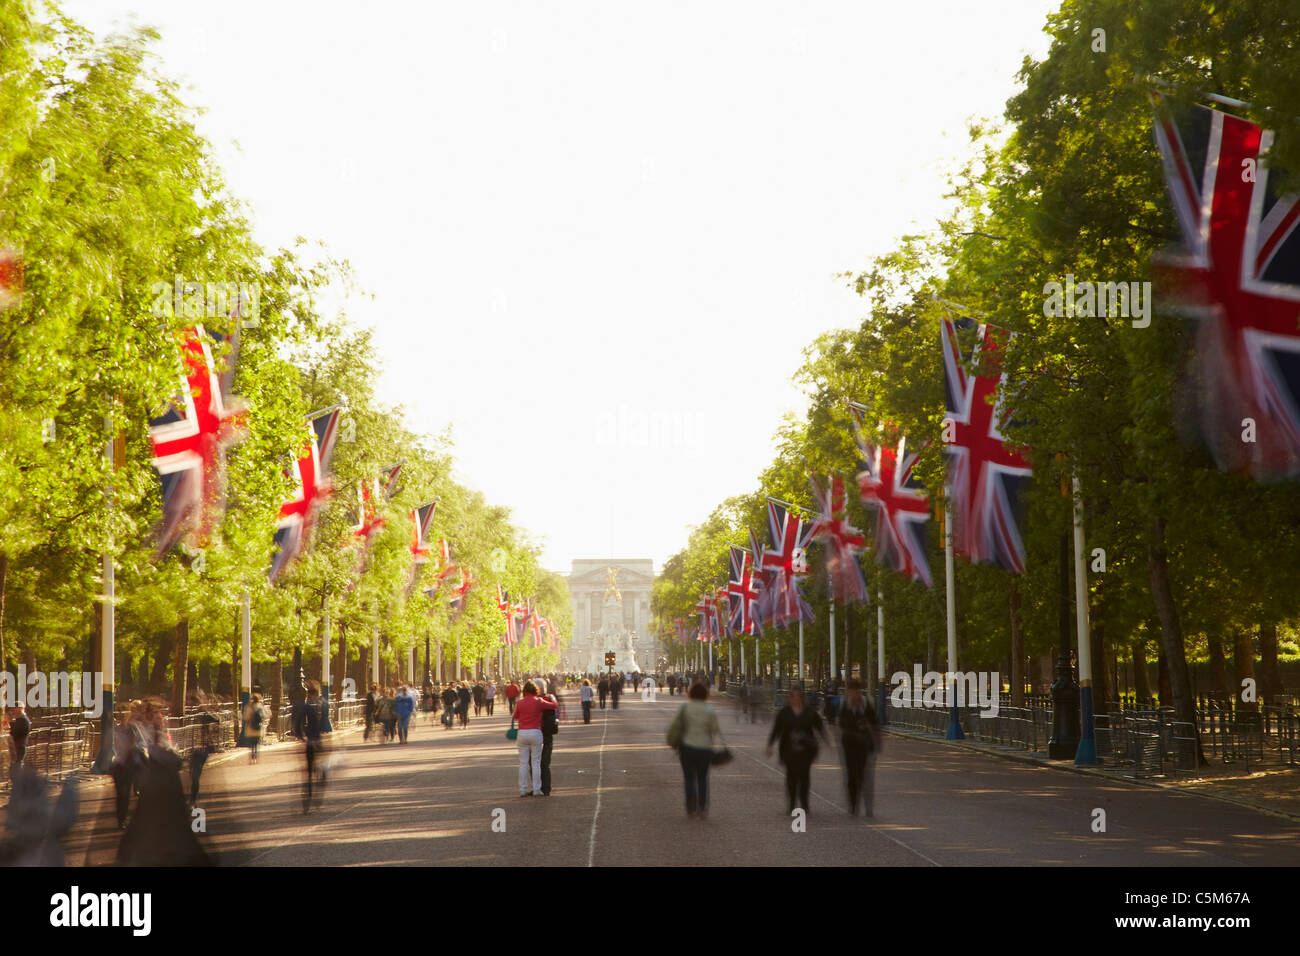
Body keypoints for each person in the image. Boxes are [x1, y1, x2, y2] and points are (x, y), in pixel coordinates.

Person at [766, 687, 829, 815]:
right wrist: (770, 745)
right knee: (791, 777)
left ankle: (804, 804)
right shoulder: (784, 713)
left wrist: (826, 740)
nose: (795, 699)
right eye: (792, 696)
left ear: (802, 698)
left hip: (806, 751)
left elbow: (819, 727)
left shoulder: (809, 712)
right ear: (789, 698)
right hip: (789, 751)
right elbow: (777, 730)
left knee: (804, 777)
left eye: (798, 696)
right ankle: (792, 803)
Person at [666, 682, 720, 818]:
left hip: (687, 747)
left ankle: (690, 806)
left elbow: (675, 725)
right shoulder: (709, 708)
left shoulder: (685, 707)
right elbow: (714, 729)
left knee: (689, 778)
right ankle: (702, 807)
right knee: (702, 778)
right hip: (705, 748)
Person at [837, 680, 880, 816]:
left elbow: (874, 724)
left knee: (864, 775)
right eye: (850, 692)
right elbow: (842, 724)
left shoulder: (867, 705)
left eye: (855, 691)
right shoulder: (845, 705)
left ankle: (868, 807)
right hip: (849, 745)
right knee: (851, 775)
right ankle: (853, 805)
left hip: (864, 745)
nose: (852, 694)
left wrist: (872, 734)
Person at [513, 681, 557, 797]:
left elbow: (515, 716)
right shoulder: (538, 701)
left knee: (523, 763)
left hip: (522, 732)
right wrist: (552, 698)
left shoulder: (520, 702)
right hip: (535, 732)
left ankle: (522, 789)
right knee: (536, 762)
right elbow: (553, 705)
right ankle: (537, 788)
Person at [292, 680, 329, 813]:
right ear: (318, 693)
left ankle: (307, 798)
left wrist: (301, 736)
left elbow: (298, 724)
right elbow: (326, 723)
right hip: (319, 741)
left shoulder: (305, 706)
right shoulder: (323, 704)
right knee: (322, 767)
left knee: (308, 772)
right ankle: (321, 785)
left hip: (309, 742)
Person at [539, 686, 561, 795]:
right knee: (546, 763)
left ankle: (537, 786)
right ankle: (546, 788)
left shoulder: (535, 699)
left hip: (536, 731)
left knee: (533, 761)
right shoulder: (550, 697)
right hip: (548, 731)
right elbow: (557, 711)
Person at [243, 693, 269, 762]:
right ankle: (256, 755)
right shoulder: (260, 706)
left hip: (250, 728)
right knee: (257, 742)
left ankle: (252, 754)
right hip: (259, 728)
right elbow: (266, 715)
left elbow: (245, 717)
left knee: (252, 743)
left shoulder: (249, 707)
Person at [7, 703, 30, 778]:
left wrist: (9, 724)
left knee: (16, 769)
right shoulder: (20, 719)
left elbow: (15, 732)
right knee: (15, 768)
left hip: (19, 747)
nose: (13, 710)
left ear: (20, 708)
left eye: (15, 708)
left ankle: (20, 786)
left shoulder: (22, 720)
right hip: (18, 747)